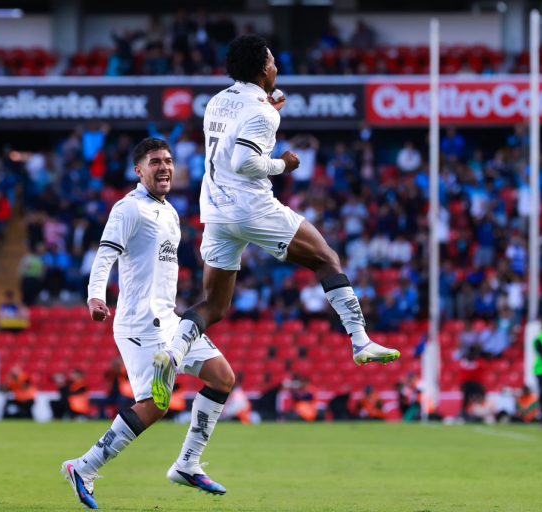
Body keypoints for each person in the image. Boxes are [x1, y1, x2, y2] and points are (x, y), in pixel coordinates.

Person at [152, 34, 398, 417]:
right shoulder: (264, 113)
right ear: (262, 68)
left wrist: (270, 104)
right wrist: (284, 164)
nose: (276, 66)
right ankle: (360, 340)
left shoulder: (218, 101)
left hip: (215, 211)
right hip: (251, 207)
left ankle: (171, 352)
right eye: (271, 61)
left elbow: (241, 126)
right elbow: (244, 162)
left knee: (214, 304)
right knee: (327, 259)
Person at [61, 138, 233, 508]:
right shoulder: (129, 208)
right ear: (138, 171)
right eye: (155, 162)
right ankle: (84, 467)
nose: (164, 167)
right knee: (155, 405)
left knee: (222, 377)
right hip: (139, 324)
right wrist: (96, 295)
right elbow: (107, 252)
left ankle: (187, 464)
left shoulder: (169, 212)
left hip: (169, 320)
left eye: (168, 161)